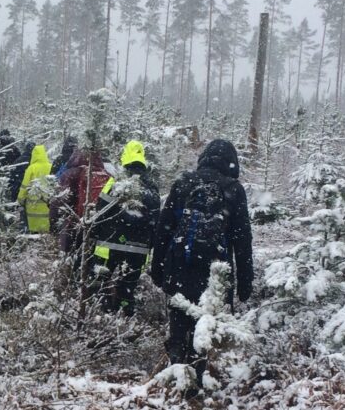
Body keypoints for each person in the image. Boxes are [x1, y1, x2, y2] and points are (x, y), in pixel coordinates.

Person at [150, 139, 254, 386]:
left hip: (179, 267)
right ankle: (196, 375)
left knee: (179, 319)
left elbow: (164, 230)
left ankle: (176, 370)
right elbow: (242, 240)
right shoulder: (234, 190)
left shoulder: (183, 183)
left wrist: (157, 269)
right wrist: (244, 282)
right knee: (205, 324)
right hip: (214, 272)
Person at [90, 141, 160, 315]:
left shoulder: (116, 182)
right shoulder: (151, 187)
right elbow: (156, 219)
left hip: (109, 245)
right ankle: (125, 317)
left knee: (101, 284)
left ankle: (101, 318)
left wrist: (95, 234)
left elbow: (101, 209)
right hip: (138, 248)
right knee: (127, 287)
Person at [52, 141, 110, 255]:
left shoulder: (69, 174)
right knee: (89, 259)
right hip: (95, 225)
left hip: (73, 225)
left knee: (72, 258)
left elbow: (58, 200)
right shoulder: (106, 175)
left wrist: (53, 223)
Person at [16, 145, 52, 233]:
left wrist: (20, 199)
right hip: (46, 201)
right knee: (45, 227)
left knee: (34, 230)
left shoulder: (31, 168)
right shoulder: (50, 166)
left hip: (33, 203)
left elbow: (25, 185)